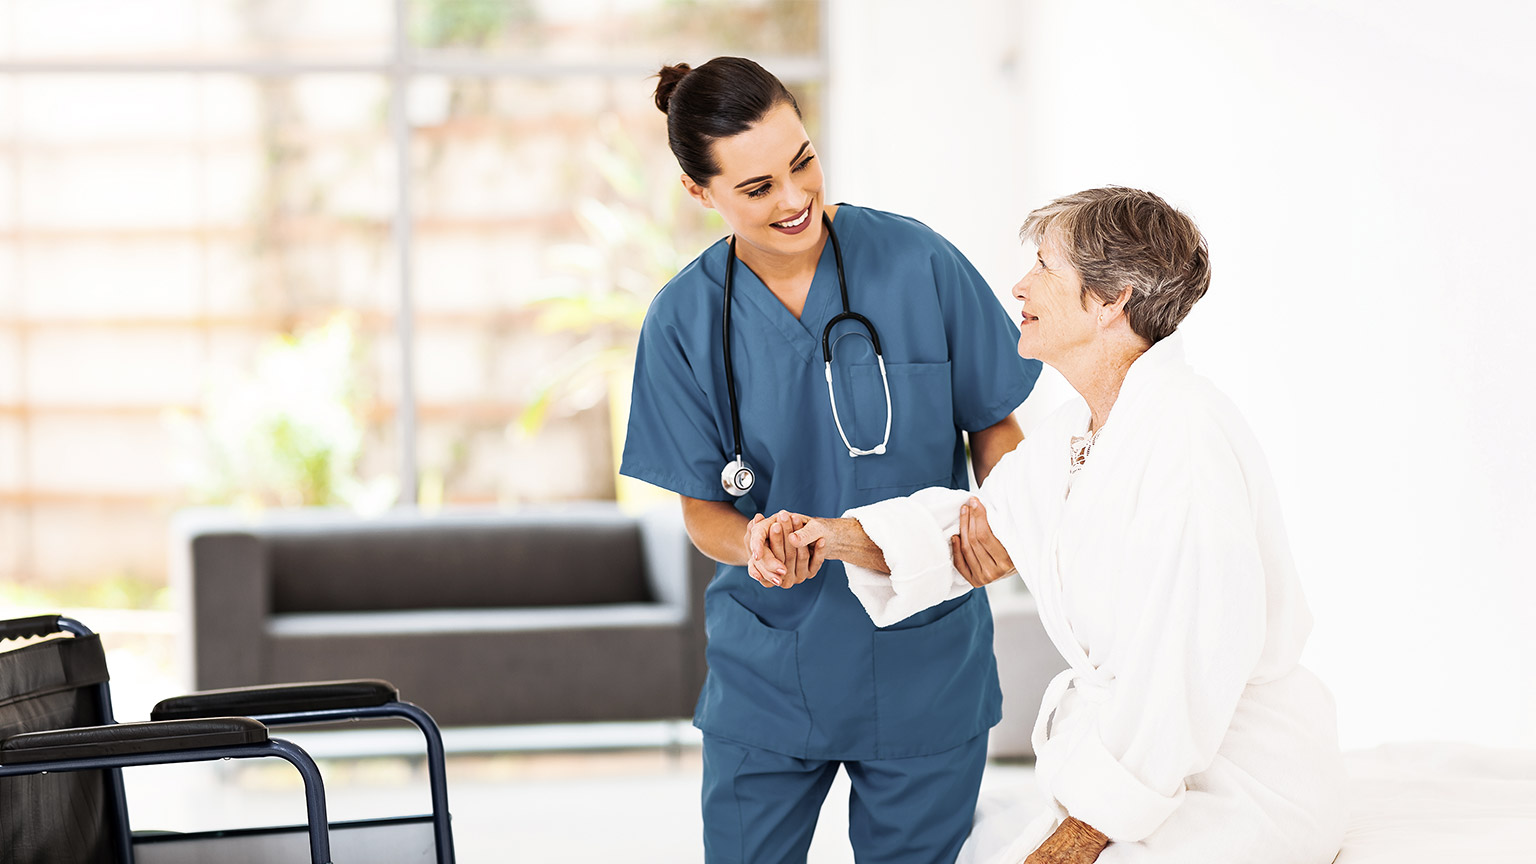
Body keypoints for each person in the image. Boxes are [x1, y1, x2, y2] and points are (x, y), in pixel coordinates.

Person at [780, 188, 1347, 863]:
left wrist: (1077, 838)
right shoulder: (1077, 432)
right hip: (1133, 766)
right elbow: (970, 524)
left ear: (1113, 299)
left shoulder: (1185, 439)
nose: (1020, 285)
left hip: (1234, 774)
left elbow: (1184, 671)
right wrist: (826, 536)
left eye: (1044, 266)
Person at [619, 57, 1042, 863]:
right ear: (699, 192)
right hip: (771, 668)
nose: (794, 199)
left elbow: (995, 426)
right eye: (756, 188)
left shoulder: (917, 262)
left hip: (924, 654)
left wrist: (1004, 510)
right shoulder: (682, 321)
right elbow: (705, 511)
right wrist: (752, 545)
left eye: (803, 162)